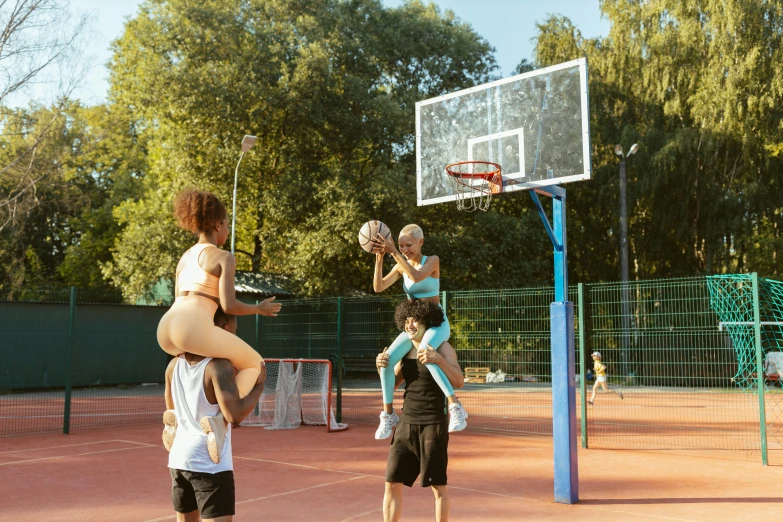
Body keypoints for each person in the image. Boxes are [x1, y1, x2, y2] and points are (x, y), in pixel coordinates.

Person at [158, 188, 281, 463]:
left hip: (166, 326)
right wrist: (258, 309)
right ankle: (219, 423)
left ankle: (173, 416)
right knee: (255, 363)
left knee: (178, 363)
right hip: (192, 325)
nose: (227, 230)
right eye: (227, 225)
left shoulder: (184, 258)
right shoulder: (224, 257)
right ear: (217, 225)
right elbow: (228, 305)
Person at [163, 309, 266, 522]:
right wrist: (259, 387)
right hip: (209, 462)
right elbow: (234, 415)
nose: (235, 337)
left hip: (178, 459)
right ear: (225, 330)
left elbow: (171, 410)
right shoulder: (219, 366)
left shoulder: (173, 365)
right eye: (234, 331)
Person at [371, 224, 467, 439]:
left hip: (434, 320)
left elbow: (415, 276)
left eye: (409, 245)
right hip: (413, 322)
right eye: (401, 245)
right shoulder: (399, 264)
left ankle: (455, 406)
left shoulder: (432, 260)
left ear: (420, 243)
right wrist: (379, 258)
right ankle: (388, 414)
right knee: (386, 359)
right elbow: (378, 287)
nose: (404, 249)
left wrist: (394, 252)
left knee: (425, 350)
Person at [376, 299, 464, 522]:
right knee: (391, 483)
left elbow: (459, 380)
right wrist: (381, 367)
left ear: (427, 322)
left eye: (415, 320)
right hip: (405, 424)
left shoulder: (442, 347)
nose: (410, 325)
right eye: (406, 321)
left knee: (438, 487)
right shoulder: (404, 352)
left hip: (432, 424)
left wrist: (438, 360)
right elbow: (393, 383)